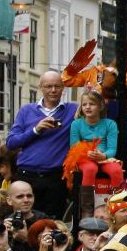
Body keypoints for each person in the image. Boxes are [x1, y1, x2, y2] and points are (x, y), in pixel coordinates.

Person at [6, 71, 78, 218]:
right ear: (40, 87)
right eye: (48, 86)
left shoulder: (73, 110)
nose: (53, 90)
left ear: (63, 88)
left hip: (55, 178)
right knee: (23, 220)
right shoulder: (27, 110)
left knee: (52, 223)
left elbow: (99, 108)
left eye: (57, 86)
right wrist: (36, 129)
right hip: (26, 176)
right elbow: (11, 143)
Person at [65, 90, 125, 199]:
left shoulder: (110, 124)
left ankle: (117, 203)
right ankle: (87, 207)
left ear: (100, 106)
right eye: (84, 104)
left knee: (116, 170)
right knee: (90, 169)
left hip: (104, 158)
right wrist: (87, 153)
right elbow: (74, 147)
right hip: (85, 158)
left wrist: (104, 155)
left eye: (92, 104)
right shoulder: (76, 124)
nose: (87, 107)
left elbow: (112, 149)